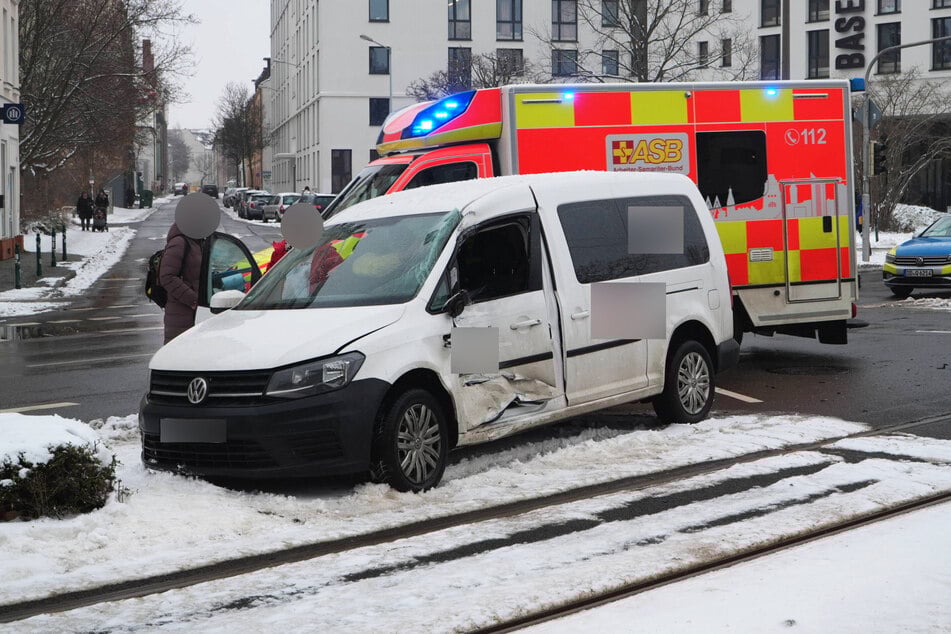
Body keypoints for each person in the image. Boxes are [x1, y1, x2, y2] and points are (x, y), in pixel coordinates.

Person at [159, 222, 204, 344]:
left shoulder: (197, 241)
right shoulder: (179, 242)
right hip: (180, 315)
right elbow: (167, 276)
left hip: (194, 313)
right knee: (178, 358)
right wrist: (193, 299)